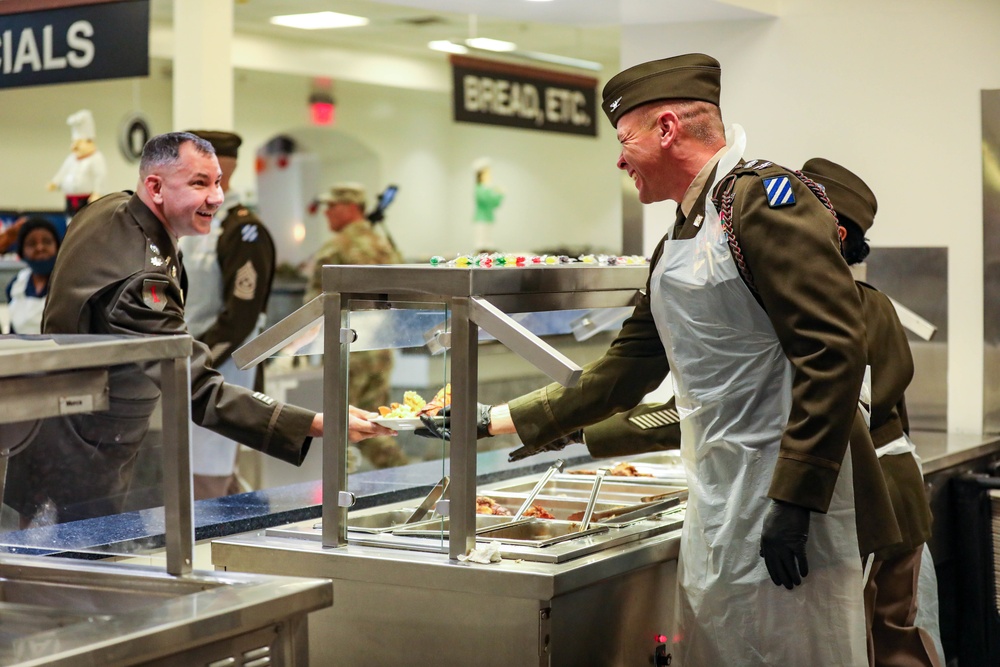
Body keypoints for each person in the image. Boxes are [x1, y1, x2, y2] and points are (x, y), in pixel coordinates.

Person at [430, 54, 901, 665]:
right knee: (725, 646)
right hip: (718, 488)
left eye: (625, 141)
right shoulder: (681, 232)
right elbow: (626, 369)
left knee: (791, 650)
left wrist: (796, 498)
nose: (620, 159)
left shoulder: (763, 202)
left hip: (783, 493)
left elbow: (833, 350)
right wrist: (502, 418)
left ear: (668, 129)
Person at [508, 158, 943, 667]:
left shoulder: (856, 309)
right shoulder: (806, 306)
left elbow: (732, 409)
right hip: (851, 503)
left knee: (891, 646)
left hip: (873, 507)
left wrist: (580, 431)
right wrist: (570, 425)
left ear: (831, 232)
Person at [3, 132, 393, 525]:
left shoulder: (108, 210)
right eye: (199, 183)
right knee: (71, 574)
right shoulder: (143, 280)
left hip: (59, 439)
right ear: (154, 187)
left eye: (218, 181)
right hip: (85, 459)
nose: (217, 197)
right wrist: (313, 422)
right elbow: (197, 389)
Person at [177, 130, 275, 500]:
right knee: (198, 479)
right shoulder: (190, 224)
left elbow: (240, 317)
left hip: (221, 371)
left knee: (208, 480)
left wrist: (197, 363)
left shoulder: (242, 230)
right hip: (188, 365)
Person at [306, 182, 407, 469]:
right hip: (382, 348)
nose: (326, 214)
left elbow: (314, 306)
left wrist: (297, 343)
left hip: (350, 348)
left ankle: (341, 494)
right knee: (376, 423)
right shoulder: (383, 244)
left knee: (342, 424)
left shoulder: (336, 248)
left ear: (350, 208)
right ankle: (405, 478)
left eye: (331, 207)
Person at [4, 217, 60, 334]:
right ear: (22, 251)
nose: (40, 248)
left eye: (47, 241)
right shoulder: (15, 285)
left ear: (58, 247)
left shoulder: (67, 282)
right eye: (31, 243)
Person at [47, 109, 107, 216]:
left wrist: (97, 193)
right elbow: (63, 171)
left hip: (86, 200)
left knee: (85, 222)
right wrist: (55, 182)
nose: (75, 146)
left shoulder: (96, 157)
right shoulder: (71, 158)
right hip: (70, 200)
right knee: (70, 222)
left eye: (79, 142)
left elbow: (100, 176)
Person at [472, 158, 503, 252]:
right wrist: (495, 193)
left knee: (489, 241)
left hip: (489, 218)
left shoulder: (488, 189)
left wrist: (499, 194)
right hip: (481, 219)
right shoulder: (480, 189)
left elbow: (495, 204)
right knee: (481, 242)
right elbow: (486, 201)